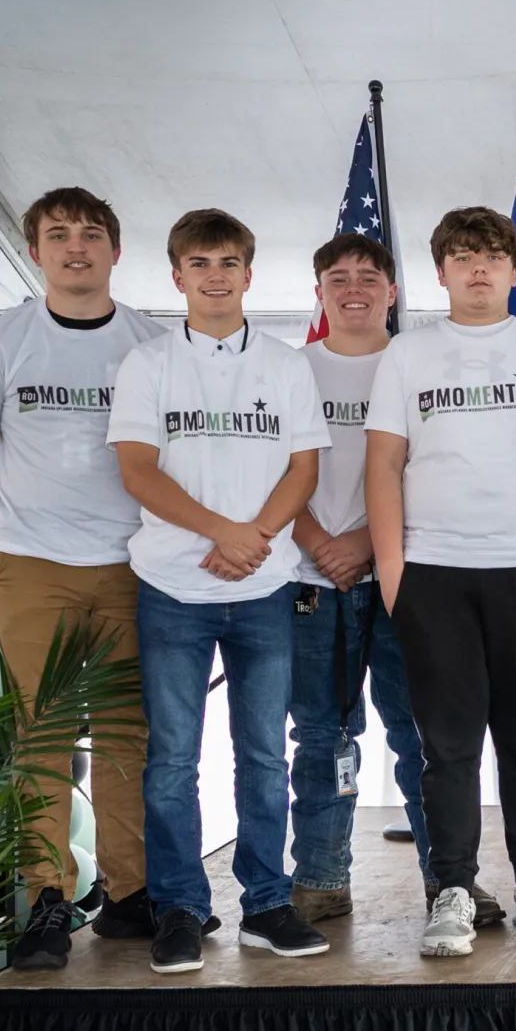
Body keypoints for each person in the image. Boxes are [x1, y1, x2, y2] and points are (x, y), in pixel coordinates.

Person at [0, 187, 167, 969]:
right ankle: (46, 899)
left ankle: (130, 894)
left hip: (132, 564)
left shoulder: (150, 344)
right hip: (34, 566)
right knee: (43, 732)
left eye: (92, 234)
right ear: (35, 250)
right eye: (60, 234)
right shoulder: (1, 343)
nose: (77, 247)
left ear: (115, 250)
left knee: (126, 737)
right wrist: (41, 517)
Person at [108, 208, 331, 974]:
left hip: (263, 587)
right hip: (172, 587)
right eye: (199, 263)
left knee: (264, 757)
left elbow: (304, 469)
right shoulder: (147, 365)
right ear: (177, 275)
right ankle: (179, 908)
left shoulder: (285, 365)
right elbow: (137, 470)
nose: (215, 276)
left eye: (228, 262)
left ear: (248, 273)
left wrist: (253, 539)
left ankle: (266, 904)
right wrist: (221, 533)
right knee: (173, 760)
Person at [364, 206, 516, 955]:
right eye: (462, 257)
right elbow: (384, 463)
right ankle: (453, 889)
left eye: (492, 256)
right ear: (440, 273)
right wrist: (394, 572)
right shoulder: (407, 354)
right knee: (449, 746)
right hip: (433, 574)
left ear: (515, 270)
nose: (478, 269)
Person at [286, 234, 433, 921]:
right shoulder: (288, 371)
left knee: (421, 735)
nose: (354, 290)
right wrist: (320, 543)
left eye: (369, 277)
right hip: (310, 579)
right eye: (338, 278)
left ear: (392, 292)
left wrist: (369, 545)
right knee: (324, 735)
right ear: (318, 292)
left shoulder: (420, 366)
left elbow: (434, 471)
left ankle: (448, 880)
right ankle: (321, 877)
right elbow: (263, 473)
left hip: (404, 577)